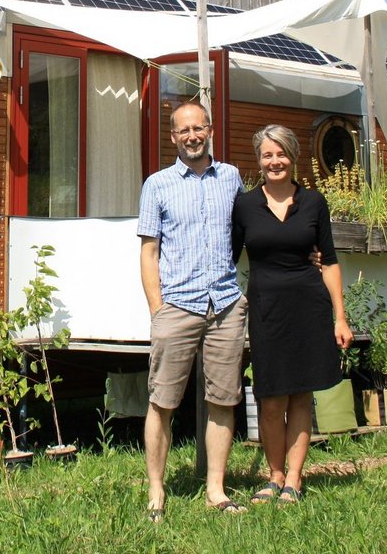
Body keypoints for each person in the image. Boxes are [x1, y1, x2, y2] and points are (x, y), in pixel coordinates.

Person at [137, 101, 248, 519]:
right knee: (162, 401)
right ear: (173, 137)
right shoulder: (158, 185)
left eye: (198, 128)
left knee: (223, 399)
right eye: (183, 130)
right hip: (177, 306)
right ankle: (156, 492)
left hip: (224, 304)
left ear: (210, 130)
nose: (192, 136)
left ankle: (216, 490)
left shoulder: (232, 178)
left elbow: (247, 230)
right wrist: (157, 310)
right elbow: (149, 253)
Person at [232, 124, 352, 505]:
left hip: (309, 307)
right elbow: (228, 259)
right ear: (259, 160)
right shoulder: (245, 205)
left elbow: (329, 262)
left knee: (301, 395)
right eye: (268, 154)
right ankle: (274, 475)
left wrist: (340, 317)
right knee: (271, 398)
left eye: (281, 153)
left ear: (293, 156)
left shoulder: (314, 202)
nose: (275, 161)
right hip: (267, 310)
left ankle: (294, 480)